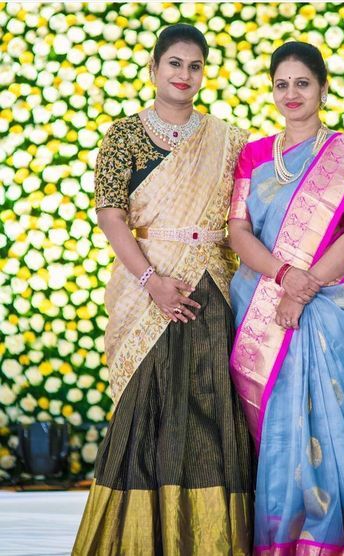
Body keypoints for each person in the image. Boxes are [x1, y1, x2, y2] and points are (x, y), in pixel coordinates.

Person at [73, 24, 253, 555]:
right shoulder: (123, 135)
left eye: (195, 66)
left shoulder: (228, 139)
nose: (185, 75)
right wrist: (152, 283)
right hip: (147, 285)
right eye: (175, 64)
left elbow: (246, 216)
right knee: (147, 410)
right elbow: (111, 216)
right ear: (154, 69)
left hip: (211, 287)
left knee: (211, 414)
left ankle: (216, 543)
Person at [229, 41, 344, 554]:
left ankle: (331, 540)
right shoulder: (254, 155)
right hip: (262, 300)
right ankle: (280, 538)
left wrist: (301, 293)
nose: (291, 93)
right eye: (282, 84)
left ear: (323, 88)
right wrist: (284, 276)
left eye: (302, 83)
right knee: (279, 429)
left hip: (329, 308)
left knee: (334, 423)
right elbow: (238, 232)